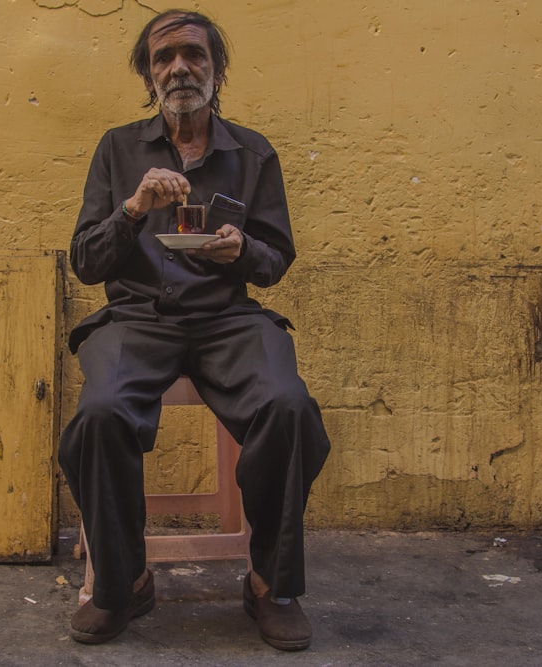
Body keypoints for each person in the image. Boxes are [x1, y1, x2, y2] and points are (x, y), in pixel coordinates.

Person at [58, 9, 331, 651]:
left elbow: (275, 262)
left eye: (193, 55)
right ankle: (125, 581)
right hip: (136, 318)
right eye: (163, 58)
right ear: (148, 75)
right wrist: (133, 210)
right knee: (99, 414)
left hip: (227, 320)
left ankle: (271, 582)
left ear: (217, 69)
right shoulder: (118, 149)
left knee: (288, 407)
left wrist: (240, 251)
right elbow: (87, 262)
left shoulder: (254, 153)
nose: (179, 68)